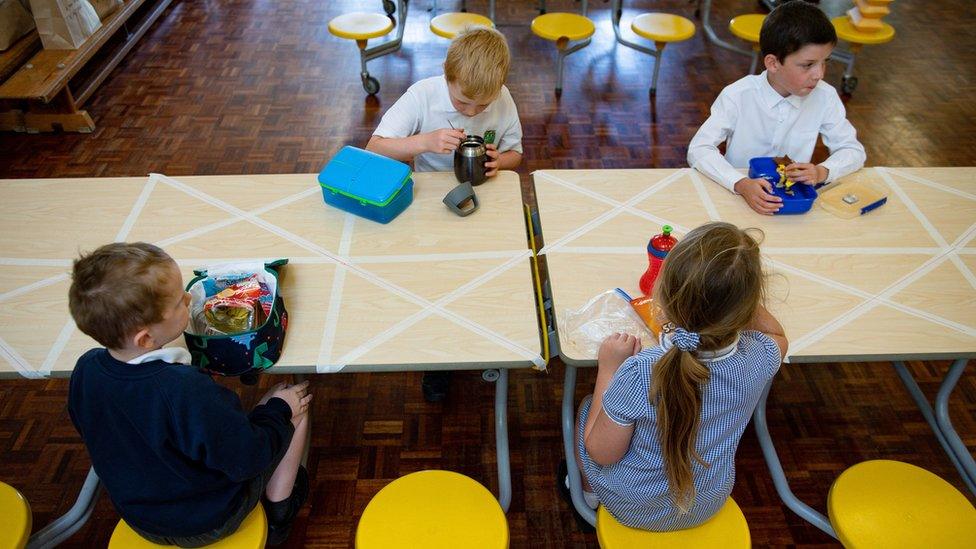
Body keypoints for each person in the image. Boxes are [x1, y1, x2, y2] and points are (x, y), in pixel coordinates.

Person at [67, 242, 311, 546]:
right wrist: (279, 410)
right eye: (179, 302)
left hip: (139, 516)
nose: (187, 298)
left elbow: (91, 426)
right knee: (291, 399)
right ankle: (279, 515)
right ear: (145, 338)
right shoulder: (184, 390)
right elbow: (247, 458)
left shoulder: (85, 368)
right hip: (207, 520)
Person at [568, 222, 788, 531]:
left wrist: (608, 369)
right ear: (748, 308)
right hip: (709, 501)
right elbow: (777, 333)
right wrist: (735, 298)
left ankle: (589, 496)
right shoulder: (759, 356)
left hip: (633, 507)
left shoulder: (638, 372)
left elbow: (601, 454)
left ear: (663, 297)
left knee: (586, 407)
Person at [366, 27, 523, 402]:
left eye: (481, 107)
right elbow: (374, 147)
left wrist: (502, 160)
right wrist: (423, 142)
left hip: (482, 203)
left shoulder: (501, 98)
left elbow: (516, 154)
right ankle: (437, 361)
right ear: (447, 75)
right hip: (430, 203)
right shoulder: (423, 94)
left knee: (483, 277)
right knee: (435, 282)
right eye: (462, 103)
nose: (471, 113)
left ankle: (486, 340)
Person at [687, 0, 866, 215]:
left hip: (793, 204)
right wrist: (740, 183)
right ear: (772, 63)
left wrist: (823, 171)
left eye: (824, 62)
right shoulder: (738, 95)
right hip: (737, 198)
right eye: (808, 65)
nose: (819, 74)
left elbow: (853, 151)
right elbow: (699, 149)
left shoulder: (825, 97)